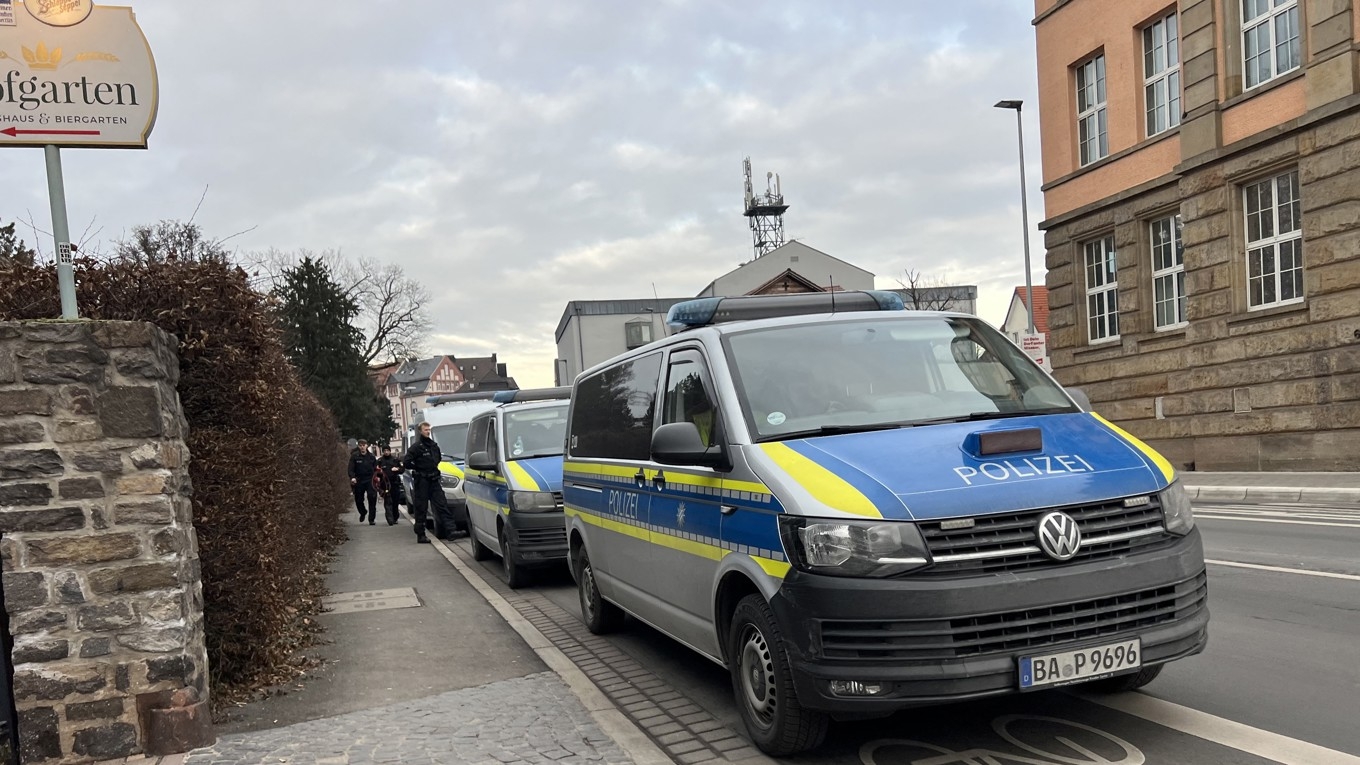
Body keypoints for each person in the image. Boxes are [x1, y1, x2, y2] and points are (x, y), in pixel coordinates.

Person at [403, 421, 447, 544]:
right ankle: (421, 534)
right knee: (421, 508)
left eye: (429, 429)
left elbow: (437, 459)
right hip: (421, 480)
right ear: (420, 431)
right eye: (425, 429)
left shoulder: (433, 445)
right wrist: (418, 468)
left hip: (433, 479)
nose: (428, 431)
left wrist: (431, 468)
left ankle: (450, 530)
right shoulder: (416, 447)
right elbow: (407, 462)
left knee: (441, 504)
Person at [347, 438, 379, 524]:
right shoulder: (355, 456)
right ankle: (363, 512)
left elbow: (376, 469)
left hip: (370, 480)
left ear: (367, 446)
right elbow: (350, 469)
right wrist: (352, 477)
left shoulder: (372, 457)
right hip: (359, 480)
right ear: (358, 446)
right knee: (358, 499)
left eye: (363, 445)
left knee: (372, 498)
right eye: (360, 446)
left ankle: (371, 519)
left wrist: (378, 476)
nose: (362, 447)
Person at [377, 444, 406, 526]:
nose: (386, 452)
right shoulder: (380, 461)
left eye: (387, 450)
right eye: (384, 451)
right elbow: (376, 472)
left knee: (395, 501)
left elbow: (402, 469)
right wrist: (379, 474)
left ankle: (395, 517)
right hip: (384, 484)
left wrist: (397, 469)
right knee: (387, 502)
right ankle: (390, 519)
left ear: (390, 451)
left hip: (395, 483)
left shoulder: (395, 460)